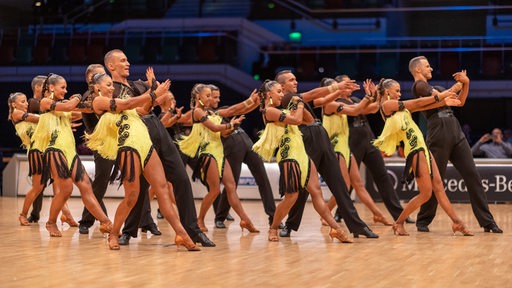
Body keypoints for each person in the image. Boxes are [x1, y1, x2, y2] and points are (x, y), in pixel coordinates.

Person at [104, 49, 215, 247]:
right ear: (111, 66)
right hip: (137, 135)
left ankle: (192, 230)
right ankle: (128, 231)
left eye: (128, 59)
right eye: (123, 60)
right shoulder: (111, 90)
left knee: (181, 178)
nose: (128, 63)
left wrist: (155, 90)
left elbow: (152, 104)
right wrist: (153, 94)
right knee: (137, 189)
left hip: (157, 129)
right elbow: (138, 107)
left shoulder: (137, 84)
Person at [86, 72, 199, 251]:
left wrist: (156, 94)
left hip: (146, 145)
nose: (111, 87)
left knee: (162, 189)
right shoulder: (98, 102)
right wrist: (152, 94)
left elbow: (142, 109)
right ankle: (114, 233)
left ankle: (181, 234)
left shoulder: (124, 101)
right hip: (127, 148)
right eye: (107, 84)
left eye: (111, 84)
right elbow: (127, 103)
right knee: (132, 196)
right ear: (97, 87)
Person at [275, 70, 378, 239]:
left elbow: (322, 99)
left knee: (340, 186)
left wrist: (343, 91)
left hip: (321, 137)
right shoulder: (286, 99)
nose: (295, 82)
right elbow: (313, 93)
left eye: (295, 79)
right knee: (302, 188)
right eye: (291, 80)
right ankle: (290, 225)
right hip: (306, 140)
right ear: (281, 85)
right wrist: (337, 87)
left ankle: (358, 226)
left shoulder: (300, 98)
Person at [409, 56, 502, 233]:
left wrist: (466, 84)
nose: (431, 68)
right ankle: (423, 220)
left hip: (455, 130)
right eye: (427, 66)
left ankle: (488, 222)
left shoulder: (433, 86)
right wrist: (457, 86)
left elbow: (460, 101)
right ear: (418, 70)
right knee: (435, 181)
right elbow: (438, 97)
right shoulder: (419, 86)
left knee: (473, 176)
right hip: (438, 131)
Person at [253, 80, 352, 243]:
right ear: (269, 94)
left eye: (282, 92)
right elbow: (296, 120)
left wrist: (335, 88)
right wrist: (299, 105)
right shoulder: (269, 111)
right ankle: (273, 227)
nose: (282, 95)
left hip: (302, 153)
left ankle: (336, 228)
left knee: (316, 192)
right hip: (288, 156)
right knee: (291, 197)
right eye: (279, 91)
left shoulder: (285, 107)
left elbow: (310, 108)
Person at [373, 78, 472, 236]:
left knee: (438, 187)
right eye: (397, 91)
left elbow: (427, 105)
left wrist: (445, 100)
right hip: (414, 150)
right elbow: (417, 103)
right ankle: (398, 223)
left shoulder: (401, 109)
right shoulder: (387, 106)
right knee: (426, 194)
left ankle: (457, 222)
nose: (399, 93)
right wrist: (444, 93)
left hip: (423, 148)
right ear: (387, 92)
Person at [31, 73, 112, 237]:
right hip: (54, 150)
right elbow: (69, 107)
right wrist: (77, 97)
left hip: (70, 152)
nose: (66, 90)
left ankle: (106, 222)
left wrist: (94, 104)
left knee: (86, 187)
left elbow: (79, 112)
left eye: (66, 88)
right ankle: (51, 222)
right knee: (66, 189)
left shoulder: (63, 106)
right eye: (63, 87)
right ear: (51, 88)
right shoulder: (46, 102)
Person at [178, 83, 259, 233]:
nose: (210, 98)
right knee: (214, 190)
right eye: (207, 95)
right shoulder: (197, 112)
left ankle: (245, 219)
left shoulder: (210, 112)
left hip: (220, 153)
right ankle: (200, 220)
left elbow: (224, 129)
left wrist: (248, 106)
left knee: (231, 187)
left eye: (211, 95)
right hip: (208, 154)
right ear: (198, 97)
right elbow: (214, 128)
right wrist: (230, 125)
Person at [333, 74, 413, 223]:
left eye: (350, 83)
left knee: (383, 177)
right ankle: (340, 212)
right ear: (338, 86)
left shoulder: (356, 100)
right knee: (349, 181)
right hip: (351, 142)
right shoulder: (336, 102)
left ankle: (399, 215)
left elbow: (372, 109)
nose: (350, 86)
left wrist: (377, 95)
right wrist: (371, 97)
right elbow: (358, 110)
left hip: (368, 140)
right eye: (346, 84)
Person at [320, 78, 392, 226]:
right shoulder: (329, 104)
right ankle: (326, 214)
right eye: (335, 88)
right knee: (345, 185)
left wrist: (374, 96)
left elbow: (364, 109)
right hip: (335, 149)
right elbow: (355, 110)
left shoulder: (344, 101)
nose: (339, 89)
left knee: (357, 184)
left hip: (345, 148)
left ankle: (377, 214)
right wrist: (371, 96)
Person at [206, 84, 278, 229]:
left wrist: (254, 103)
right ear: (205, 97)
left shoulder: (221, 109)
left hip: (247, 144)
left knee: (263, 178)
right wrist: (249, 100)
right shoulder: (206, 114)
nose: (217, 100)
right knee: (232, 184)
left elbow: (241, 110)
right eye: (214, 97)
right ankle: (220, 217)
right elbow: (233, 112)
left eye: (218, 96)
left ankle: (273, 217)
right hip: (232, 150)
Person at [9, 92, 77, 227]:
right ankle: (22, 214)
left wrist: (64, 121)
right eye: (22, 101)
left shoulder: (34, 114)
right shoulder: (16, 113)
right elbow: (39, 119)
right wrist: (58, 117)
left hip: (48, 149)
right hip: (36, 151)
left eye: (26, 101)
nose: (26, 104)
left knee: (59, 185)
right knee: (38, 187)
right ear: (13, 104)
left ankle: (67, 215)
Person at [77, 64, 112, 234]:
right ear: (89, 79)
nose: (102, 78)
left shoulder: (106, 94)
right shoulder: (89, 97)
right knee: (100, 182)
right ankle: (87, 220)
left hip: (118, 140)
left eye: (104, 74)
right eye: (98, 75)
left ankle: (145, 220)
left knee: (136, 179)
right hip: (102, 144)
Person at [25, 75, 47, 223]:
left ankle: (35, 214)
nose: (48, 88)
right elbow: (45, 120)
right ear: (38, 87)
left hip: (45, 147)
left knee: (41, 186)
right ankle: (29, 214)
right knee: (38, 186)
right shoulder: (33, 102)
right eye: (45, 85)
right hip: (38, 149)